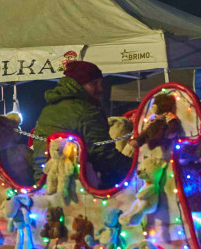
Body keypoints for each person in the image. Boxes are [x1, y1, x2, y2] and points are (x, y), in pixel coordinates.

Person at [30, 61, 130, 189]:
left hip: (43, 181)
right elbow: (103, 153)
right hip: (76, 186)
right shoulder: (87, 110)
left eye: (101, 83)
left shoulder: (48, 109)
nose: (100, 89)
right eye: (94, 84)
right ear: (79, 85)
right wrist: (132, 165)